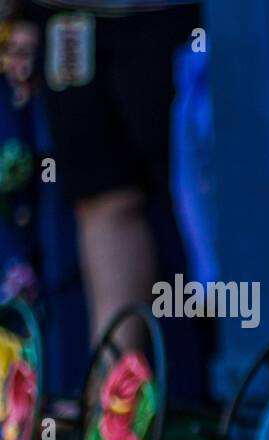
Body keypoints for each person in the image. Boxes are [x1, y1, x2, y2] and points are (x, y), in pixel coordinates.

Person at [1, 0, 200, 350]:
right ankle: (113, 387)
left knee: (202, 185)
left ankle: (254, 374)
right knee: (103, 197)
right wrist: (19, 16)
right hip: (70, 18)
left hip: (171, 15)